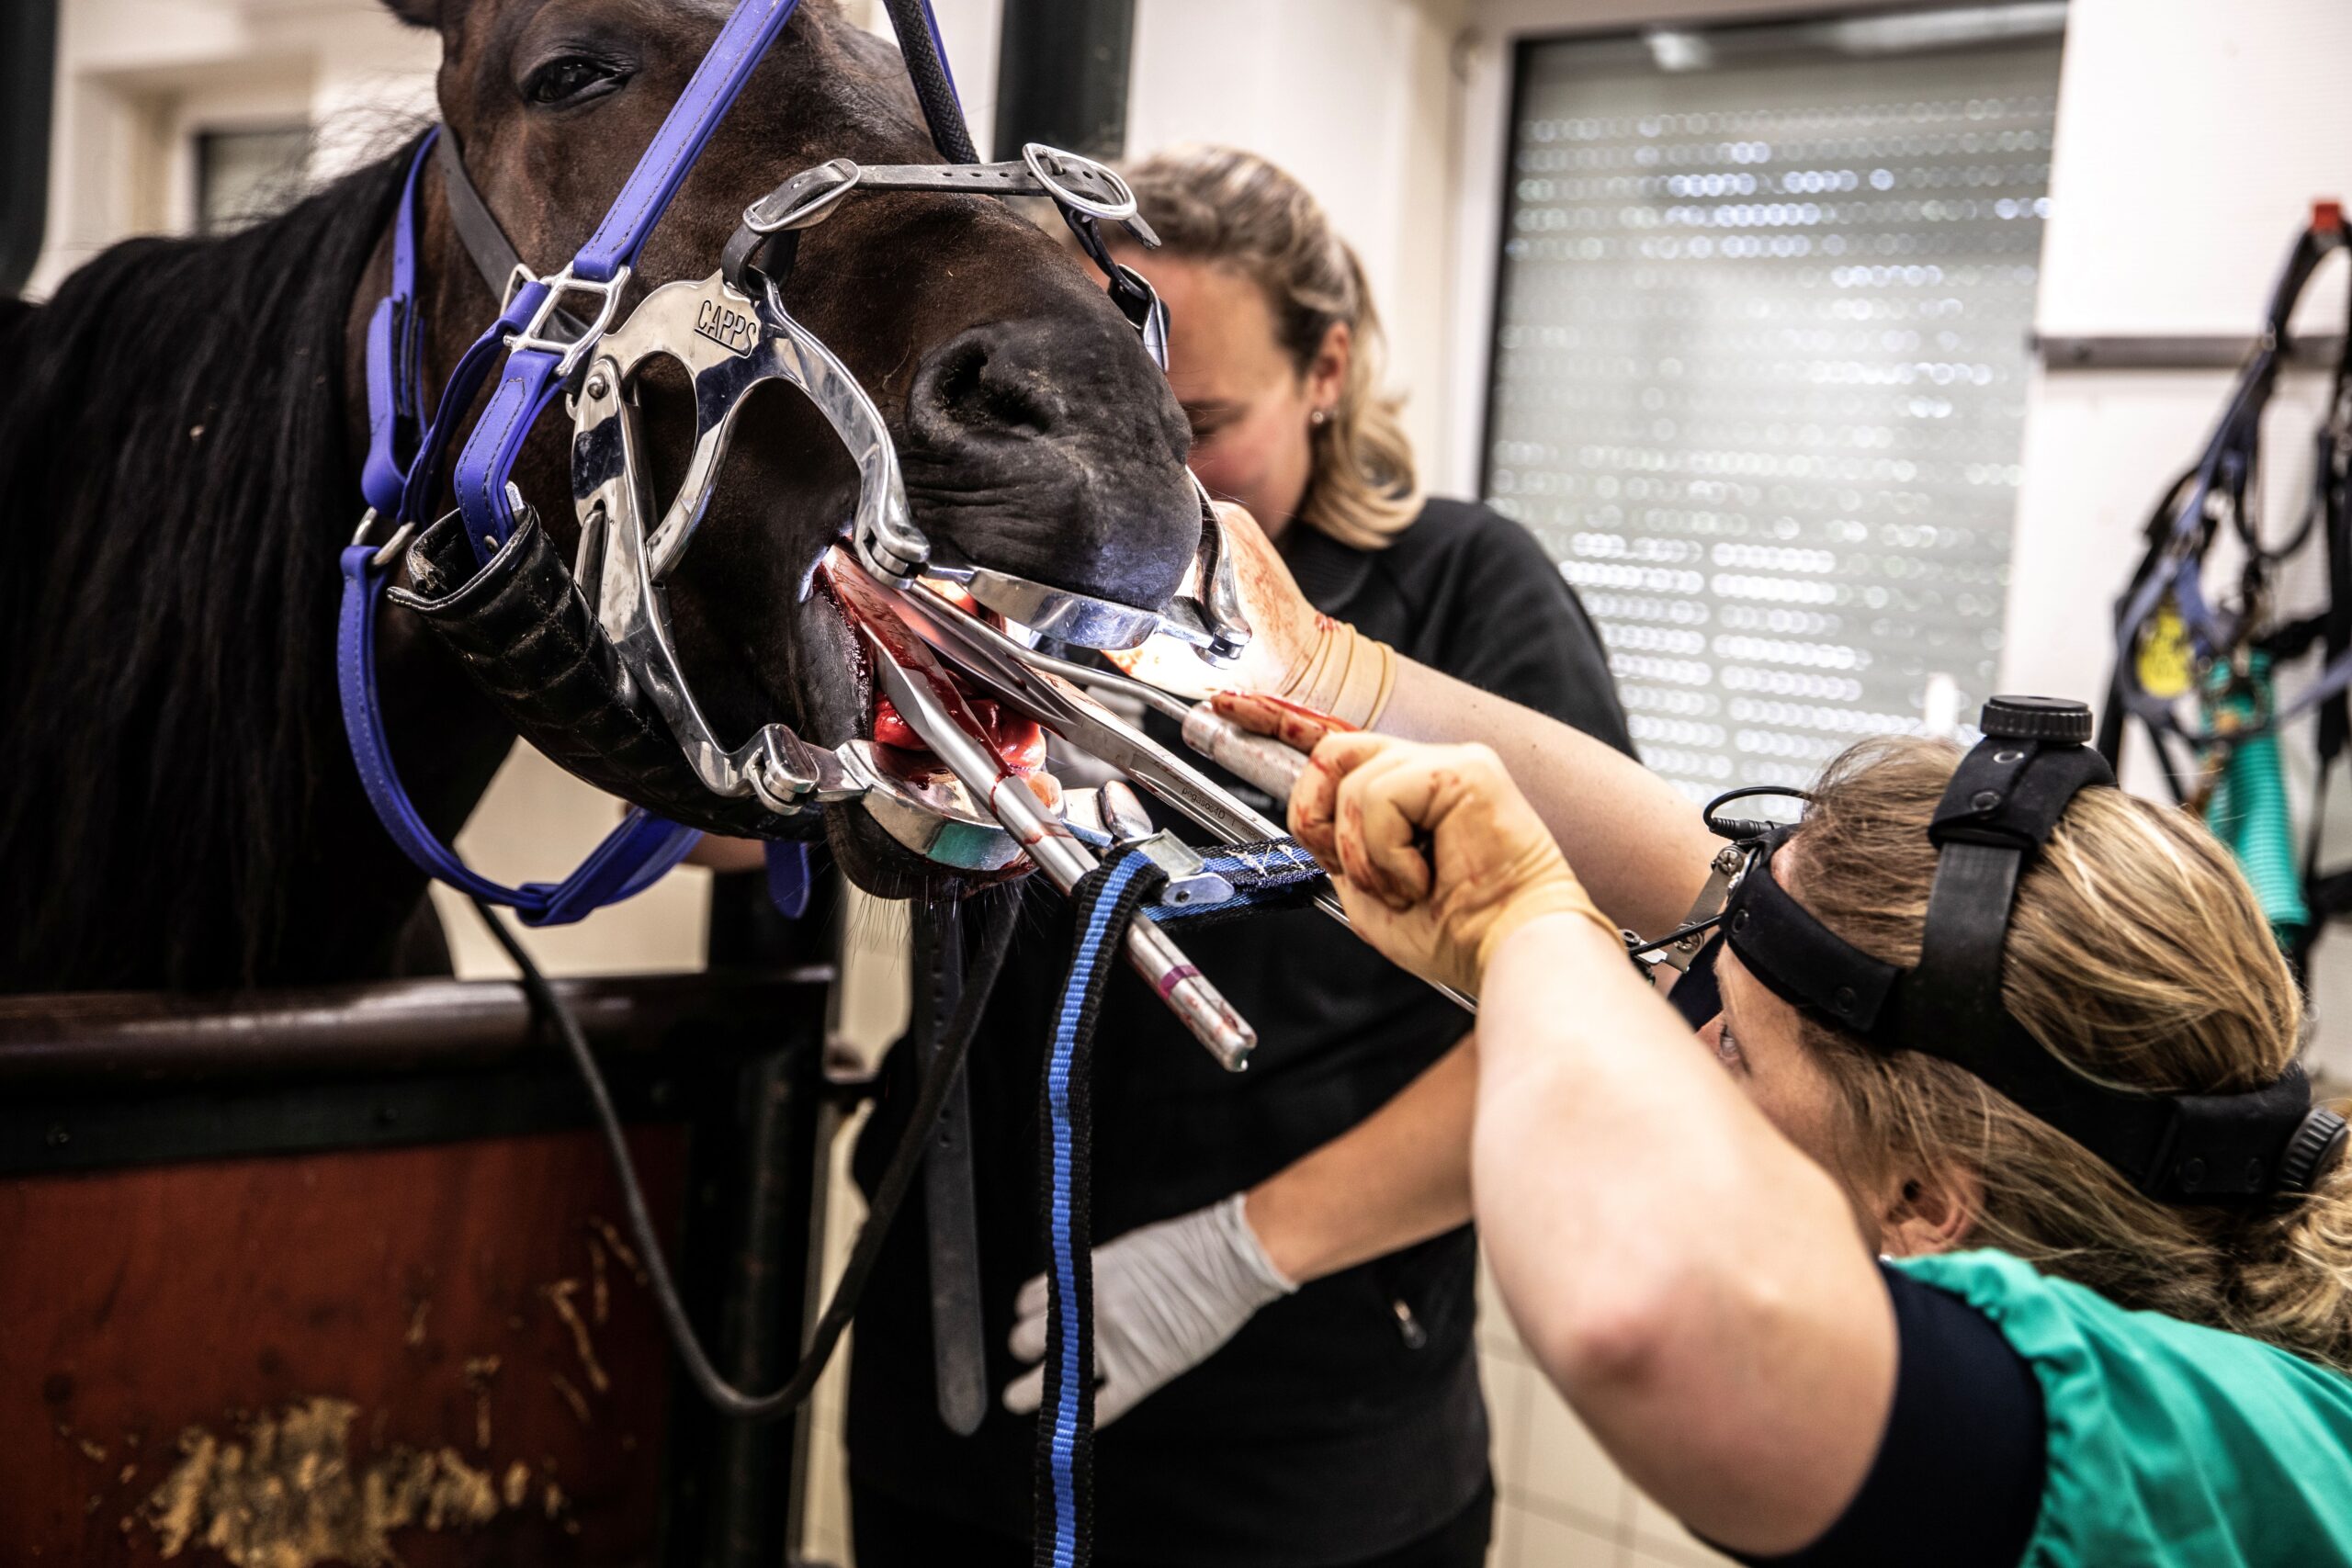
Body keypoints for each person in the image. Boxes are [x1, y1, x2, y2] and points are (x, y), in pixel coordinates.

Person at [1147, 543, 2352, 1562]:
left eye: (1736, 1056)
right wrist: (1322, 665)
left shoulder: (2215, 1445)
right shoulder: (2181, 1221)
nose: (1693, 1037)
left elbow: (1654, 1315)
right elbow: (1729, 912)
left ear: (1926, 1200)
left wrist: (1515, 926)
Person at [844, 145, 1633, 1568]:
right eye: (1108, 416)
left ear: (1327, 369)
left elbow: (1600, 1018)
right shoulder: (998, 586)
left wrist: (1244, 1249)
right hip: (959, 1396)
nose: (1146, 484)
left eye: (1201, 424)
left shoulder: (1466, 595)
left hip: (1307, 1438)